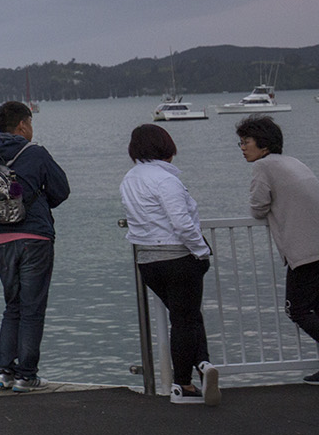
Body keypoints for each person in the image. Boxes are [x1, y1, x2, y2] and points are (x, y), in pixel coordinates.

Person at [0, 100, 70, 393]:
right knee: (32, 308)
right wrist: (34, 201)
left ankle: (4, 372)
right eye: (31, 123)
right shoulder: (35, 153)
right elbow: (61, 190)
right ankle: (26, 375)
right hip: (34, 239)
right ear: (23, 124)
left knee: (12, 306)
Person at [120, 124, 219, 405]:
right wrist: (201, 251)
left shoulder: (129, 179)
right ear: (167, 147)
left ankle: (203, 364)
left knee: (184, 315)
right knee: (185, 320)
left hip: (147, 261)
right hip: (178, 257)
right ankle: (183, 385)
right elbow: (181, 222)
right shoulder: (166, 180)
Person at [237, 115, 319, 383]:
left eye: (246, 141)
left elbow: (258, 207)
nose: (242, 147)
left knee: (296, 310)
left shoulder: (264, 167)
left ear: (263, 144)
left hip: (305, 250)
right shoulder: (293, 162)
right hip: (314, 245)